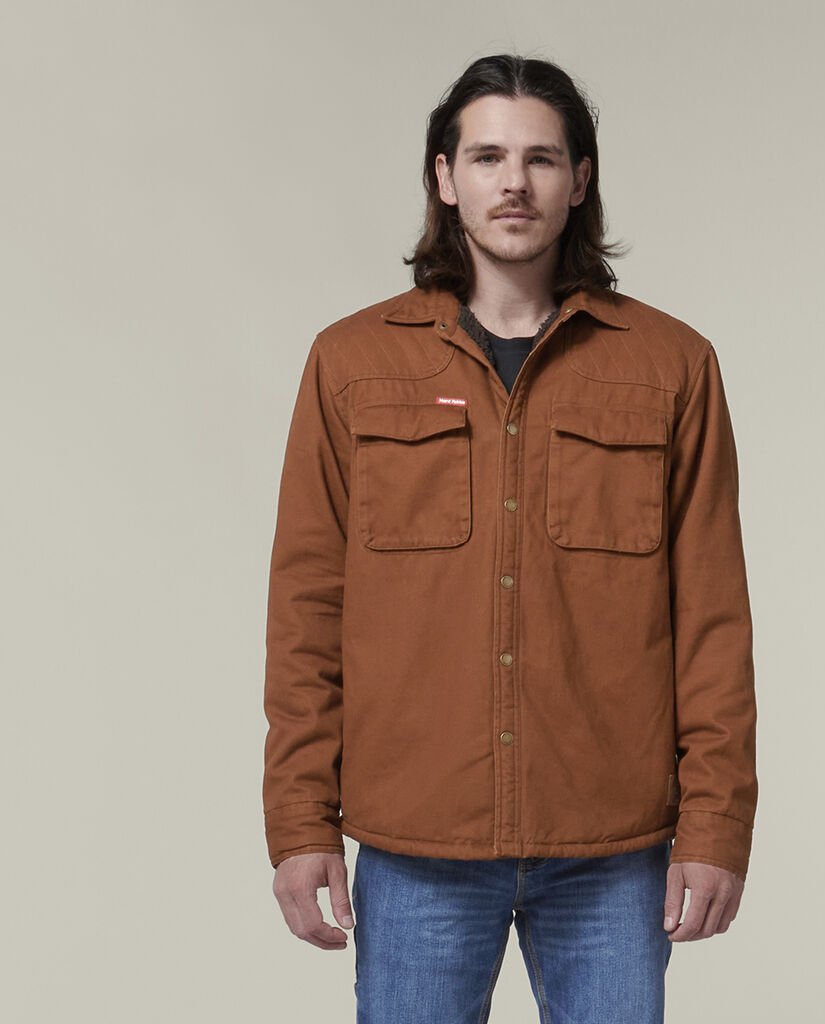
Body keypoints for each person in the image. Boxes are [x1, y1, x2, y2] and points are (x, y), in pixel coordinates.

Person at [262, 53, 758, 1023]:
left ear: (579, 180)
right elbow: (307, 610)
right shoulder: (350, 364)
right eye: (487, 156)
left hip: (613, 847)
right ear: (445, 178)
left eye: (541, 158)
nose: (514, 182)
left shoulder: (672, 367)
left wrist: (716, 824)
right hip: (416, 844)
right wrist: (298, 819)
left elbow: (712, 620)